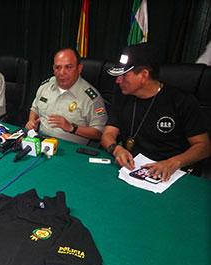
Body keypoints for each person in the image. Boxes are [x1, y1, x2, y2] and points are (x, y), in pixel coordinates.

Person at [101, 43, 211, 181]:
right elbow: (108, 134)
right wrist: (116, 149)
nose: (118, 80)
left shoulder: (181, 101)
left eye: (124, 75)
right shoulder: (122, 94)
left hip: (172, 174)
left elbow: (204, 147)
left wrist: (173, 163)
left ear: (144, 75)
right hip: (133, 170)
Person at [25, 47, 107, 145]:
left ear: (79, 68)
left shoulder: (91, 98)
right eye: (58, 67)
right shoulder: (45, 86)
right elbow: (34, 109)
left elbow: (99, 133)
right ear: (53, 69)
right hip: (42, 142)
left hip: (71, 150)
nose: (62, 73)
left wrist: (72, 128)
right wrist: (31, 121)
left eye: (68, 67)